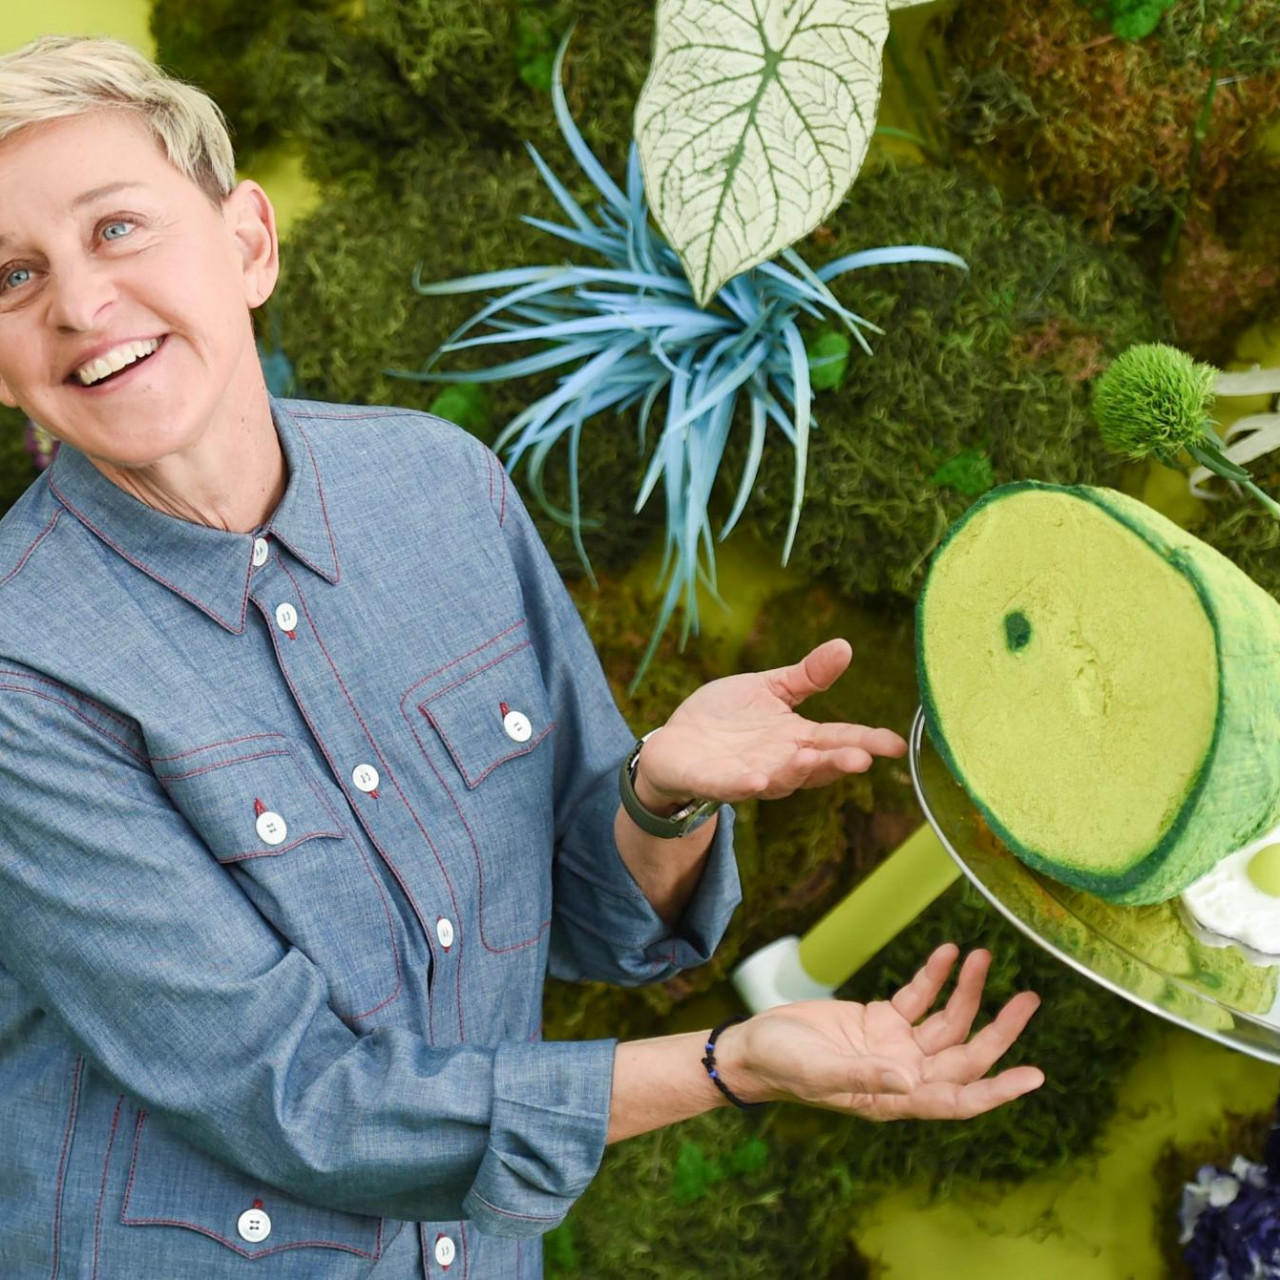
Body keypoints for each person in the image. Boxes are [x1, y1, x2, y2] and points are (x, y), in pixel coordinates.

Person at [0, 34, 1044, 1279]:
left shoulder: (440, 486)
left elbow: (598, 923)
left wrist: (662, 791)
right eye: (12, 275)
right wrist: (733, 1062)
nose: (79, 304)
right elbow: (294, 1096)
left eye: (117, 228)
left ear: (249, 243)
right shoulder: (24, 669)